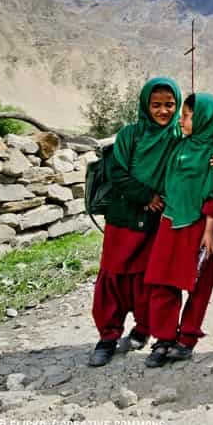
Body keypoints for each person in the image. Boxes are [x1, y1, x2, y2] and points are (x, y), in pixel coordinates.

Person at [88, 78, 182, 367]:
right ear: (145, 105)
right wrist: (145, 195)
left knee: (147, 279)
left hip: (156, 222)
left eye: (170, 104)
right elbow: (117, 171)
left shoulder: (179, 136)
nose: (163, 111)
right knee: (114, 277)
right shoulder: (131, 134)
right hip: (124, 217)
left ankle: (143, 330)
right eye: (156, 105)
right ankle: (107, 337)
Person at [143, 93, 213, 367]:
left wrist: (210, 226)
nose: (181, 119)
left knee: (198, 283)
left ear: (204, 119)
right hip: (170, 223)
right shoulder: (179, 147)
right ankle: (164, 338)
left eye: (187, 115)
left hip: (199, 227)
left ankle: (187, 339)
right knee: (162, 281)